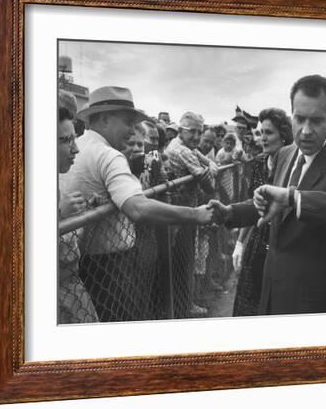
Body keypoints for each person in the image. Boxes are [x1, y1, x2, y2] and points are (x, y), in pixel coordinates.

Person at [209, 75, 326, 315]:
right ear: (292, 115)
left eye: (317, 121)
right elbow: (271, 202)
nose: (306, 131)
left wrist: (295, 197)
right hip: (270, 291)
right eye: (300, 119)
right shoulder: (285, 154)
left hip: (311, 303)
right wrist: (231, 212)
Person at [64, 86, 214, 322]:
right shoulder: (108, 155)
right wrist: (194, 214)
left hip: (79, 264)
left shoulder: (76, 147)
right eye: (128, 123)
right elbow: (137, 207)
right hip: (111, 268)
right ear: (104, 119)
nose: (133, 132)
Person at [231, 108, 293, 316]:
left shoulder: (294, 165)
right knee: (249, 305)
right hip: (257, 243)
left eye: (269, 133)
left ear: (283, 135)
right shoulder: (258, 163)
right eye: (260, 133)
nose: (263, 138)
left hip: (282, 244)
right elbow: (252, 207)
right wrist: (240, 243)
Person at [165, 112, 217, 317]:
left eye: (199, 132)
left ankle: (182, 304)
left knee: (184, 260)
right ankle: (184, 306)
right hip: (182, 215)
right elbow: (209, 183)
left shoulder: (187, 148)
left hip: (184, 211)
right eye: (192, 132)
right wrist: (208, 171)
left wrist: (208, 169)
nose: (197, 137)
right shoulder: (183, 151)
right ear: (180, 131)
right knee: (184, 261)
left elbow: (211, 166)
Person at [57, 106, 99, 324]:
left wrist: (84, 214)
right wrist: (58, 214)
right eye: (65, 141)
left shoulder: (59, 182)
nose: (76, 149)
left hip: (73, 288)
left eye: (74, 139)